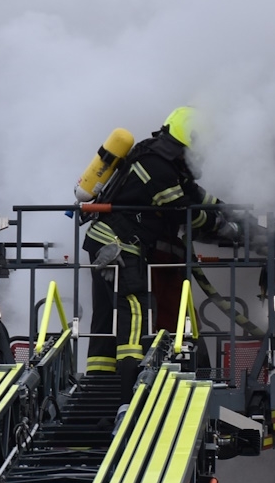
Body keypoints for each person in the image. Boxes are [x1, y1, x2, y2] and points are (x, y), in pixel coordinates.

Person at [81, 107, 238, 404]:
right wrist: (223, 227)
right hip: (120, 246)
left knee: (104, 319)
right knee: (136, 311)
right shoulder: (159, 166)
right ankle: (131, 393)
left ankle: (98, 384)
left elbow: (198, 198)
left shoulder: (160, 160)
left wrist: (233, 215)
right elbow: (184, 212)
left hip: (104, 244)